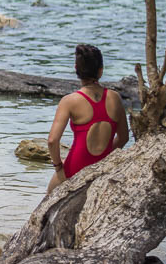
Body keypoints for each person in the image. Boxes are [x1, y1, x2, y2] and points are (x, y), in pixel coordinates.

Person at [46, 44, 129, 193]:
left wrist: (59, 168)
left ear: (76, 69)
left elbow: (52, 140)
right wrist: (104, 161)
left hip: (73, 170)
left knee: (44, 208)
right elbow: (123, 138)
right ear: (101, 70)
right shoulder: (115, 97)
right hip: (102, 170)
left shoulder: (69, 101)